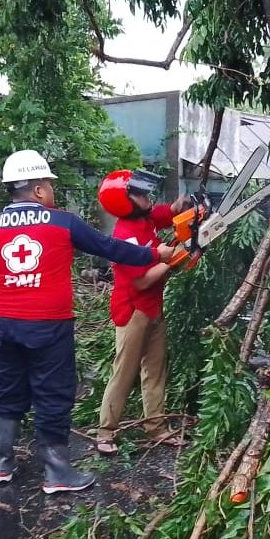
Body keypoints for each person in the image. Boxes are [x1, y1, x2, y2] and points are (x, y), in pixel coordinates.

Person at [0, 150, 176, 493]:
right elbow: (109, 248)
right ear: (37, 190)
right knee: (52, 394)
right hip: (49, 326)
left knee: (8, 392)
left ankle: (4, 464)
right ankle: (57, 473)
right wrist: (156, 254)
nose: (51, 190)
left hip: (5, 326)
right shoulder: (62, 221)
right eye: (48, 184)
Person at [95, 169, 188, 455]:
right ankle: (106, 432)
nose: (147, 197)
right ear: (125, 201)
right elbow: (143, 280)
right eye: (140, 194)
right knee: (125, 371)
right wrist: (176, 256)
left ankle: (156, 426)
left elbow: (167, 213)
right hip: (132, 310)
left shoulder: (145, 218)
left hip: (153, 306)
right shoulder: (124, 237)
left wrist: (184, 207)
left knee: (156, 369)